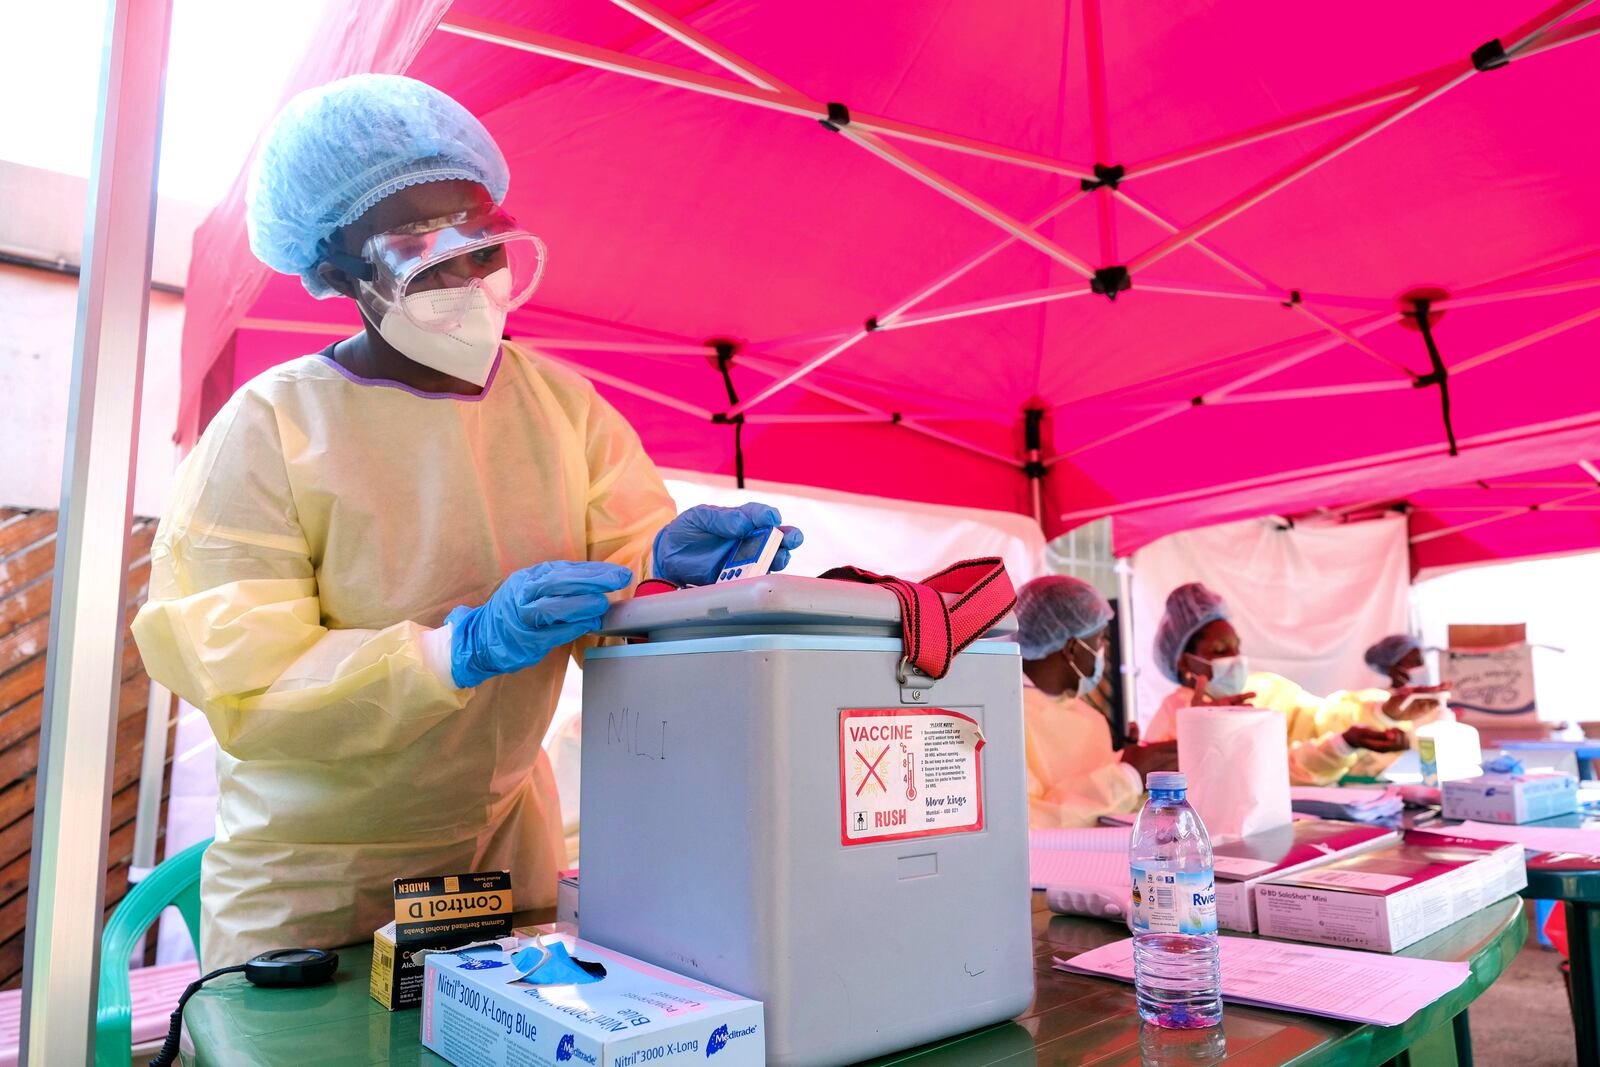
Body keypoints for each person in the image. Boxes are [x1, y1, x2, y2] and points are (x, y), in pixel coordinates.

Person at [132, 75, 803, 966]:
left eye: (483, 244)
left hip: (502, 856)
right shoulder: (270, 428)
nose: (467, 276)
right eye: (419, 252)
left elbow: (622, 587)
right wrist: (460, 647)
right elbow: (248, 681)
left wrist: (667, 571)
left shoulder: (561, 405)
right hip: (318, 882)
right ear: (332, 268)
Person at [1143, 584, 1415, 785]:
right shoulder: (1174, 719)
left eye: (1236, 648)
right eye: (1220, 650)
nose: (1234, 660)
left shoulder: (1268, 690)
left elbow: (1321, 717)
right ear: (1185, 662)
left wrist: (1381, 713)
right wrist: (1202, 727)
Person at [1016, 576, 1178, 827]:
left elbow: (1111, 808)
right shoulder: (1007, 717)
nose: (1102, 650)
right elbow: (1031, 821)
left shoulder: (1089, 717)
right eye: (1099, 640)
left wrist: (1144, 774)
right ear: (1072, 648)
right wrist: (1128, 775)